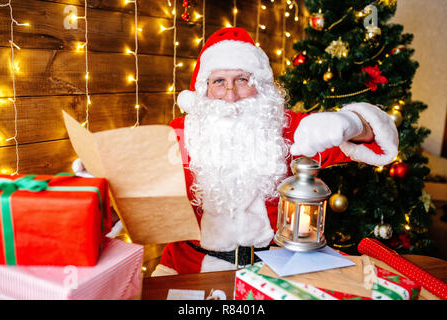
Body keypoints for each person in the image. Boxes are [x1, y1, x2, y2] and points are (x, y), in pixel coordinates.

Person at [74, 27, 398, 276]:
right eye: (219, 82)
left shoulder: (287, 130)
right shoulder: (180, 134)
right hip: (189, 268)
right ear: (204, 89)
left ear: (261, 85)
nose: (230, 96)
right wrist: (103, 177)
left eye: (242, 79)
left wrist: (351, 122)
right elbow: (128, 187)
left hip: (274, 269)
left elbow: (376, 140)